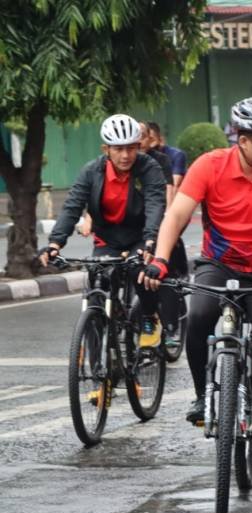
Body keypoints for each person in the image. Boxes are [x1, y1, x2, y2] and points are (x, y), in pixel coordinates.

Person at [141, 97, 252, 461]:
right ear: (243, 141)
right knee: (199, 316)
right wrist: (159, 261)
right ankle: (204, 396)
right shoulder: (210, 165)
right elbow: (177, 214)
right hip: (219, 264)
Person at [38, 114, 166, 348]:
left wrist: (150, 240)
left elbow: (155, 203)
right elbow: (73, 205)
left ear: (138, 146)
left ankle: (150, 317)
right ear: (106, 149)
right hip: (108, 237)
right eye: (118, 149)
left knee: (141, 271)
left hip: (140, 235)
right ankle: (100, 368)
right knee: (96, 283)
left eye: (131, 148)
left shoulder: (148, 168)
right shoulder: (91, 171)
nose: (125, 155)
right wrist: (56, 243)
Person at [147, 121, 187, 190]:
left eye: (151, 140)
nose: (149, 144)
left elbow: (174, 184)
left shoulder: (177, 155)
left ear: (161, 140)